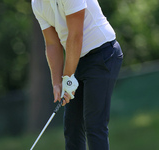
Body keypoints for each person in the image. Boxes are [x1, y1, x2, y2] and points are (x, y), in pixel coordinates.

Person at [31, 0, 123, 149]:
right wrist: (57, 82)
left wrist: (67, 78)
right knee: (72, 126)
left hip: (103, 55)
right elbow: (52, 44)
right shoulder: (37, 4)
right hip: (75, 59)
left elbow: (75, 36)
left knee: (94, 125)